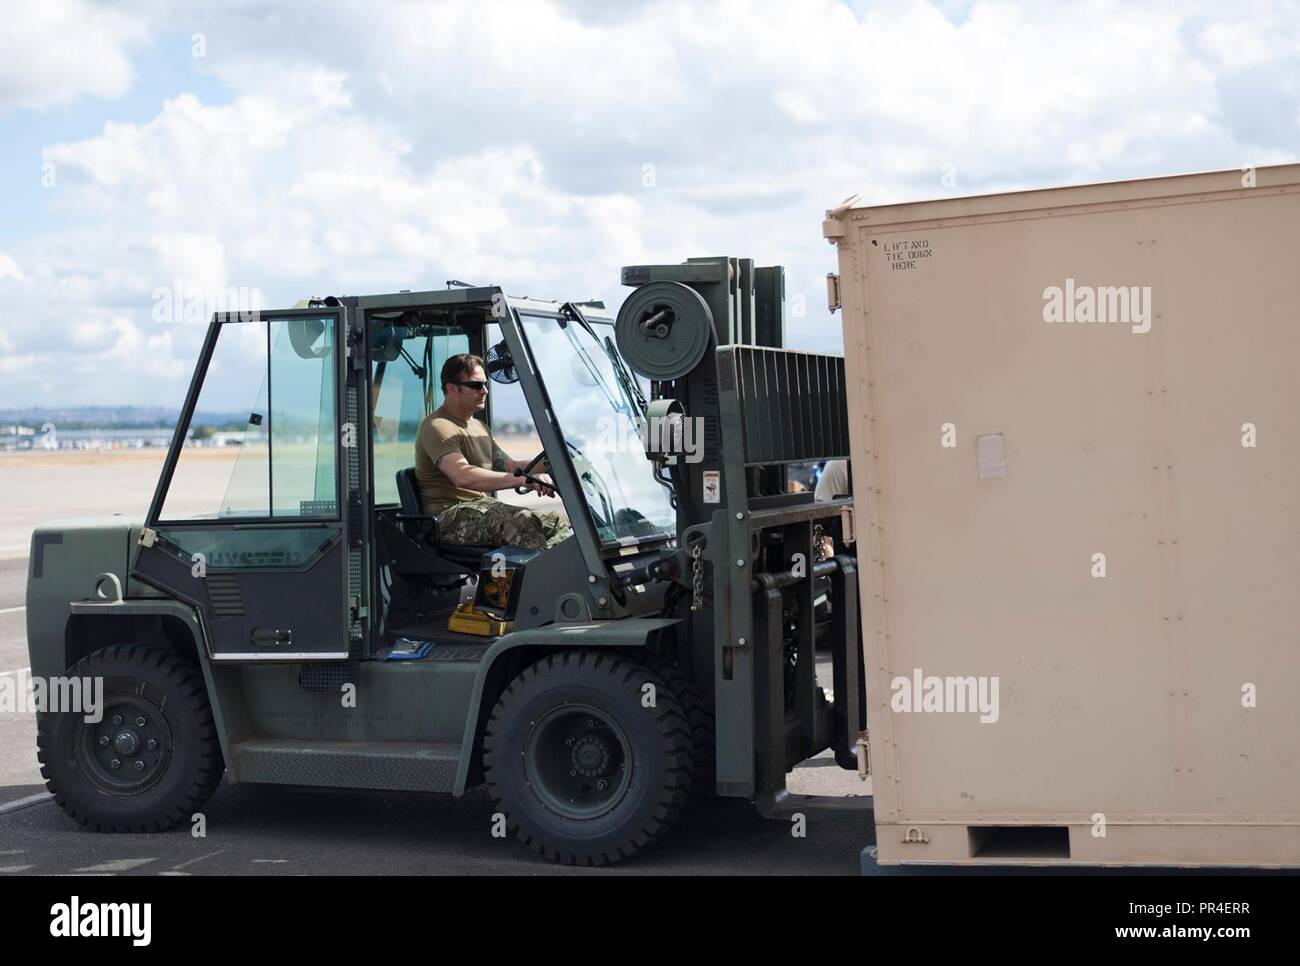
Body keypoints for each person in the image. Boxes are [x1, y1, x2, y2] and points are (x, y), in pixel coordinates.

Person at [415, 354, 573, 551]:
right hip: (447, 516)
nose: (485, 391)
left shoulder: (479, 427)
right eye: (476, 385)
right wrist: (526, 480)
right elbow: (461, 475)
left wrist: (554, 462)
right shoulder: (438, 427)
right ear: (451, 388)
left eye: (485, 385)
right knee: (522, 523)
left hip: (481, 507)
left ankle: (556, 579)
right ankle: (504, 583)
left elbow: (510, 466)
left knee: (558, 521)